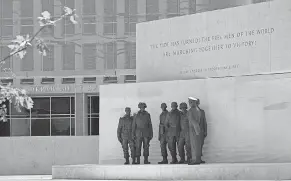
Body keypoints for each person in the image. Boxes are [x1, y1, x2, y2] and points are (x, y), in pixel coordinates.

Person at [187, 97, 202, 165]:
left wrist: (196, 130)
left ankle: (195, 159)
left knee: (194, 145)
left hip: (193, 129)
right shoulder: (197, 109)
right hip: (197, 128)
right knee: (197, 145)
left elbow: (193, 121)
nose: (189, 103)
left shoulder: (191, 110)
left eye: (190, 102)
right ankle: (197, 159)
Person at [197, 99, 207, 164]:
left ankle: (199, 158)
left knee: (200, 145)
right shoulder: (190, 111)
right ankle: (195, 158)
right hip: (193, 132)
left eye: (197, 102)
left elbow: (204, 122)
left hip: (201, 131)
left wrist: (205, 131)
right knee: (194, 146)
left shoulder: (202, 111)